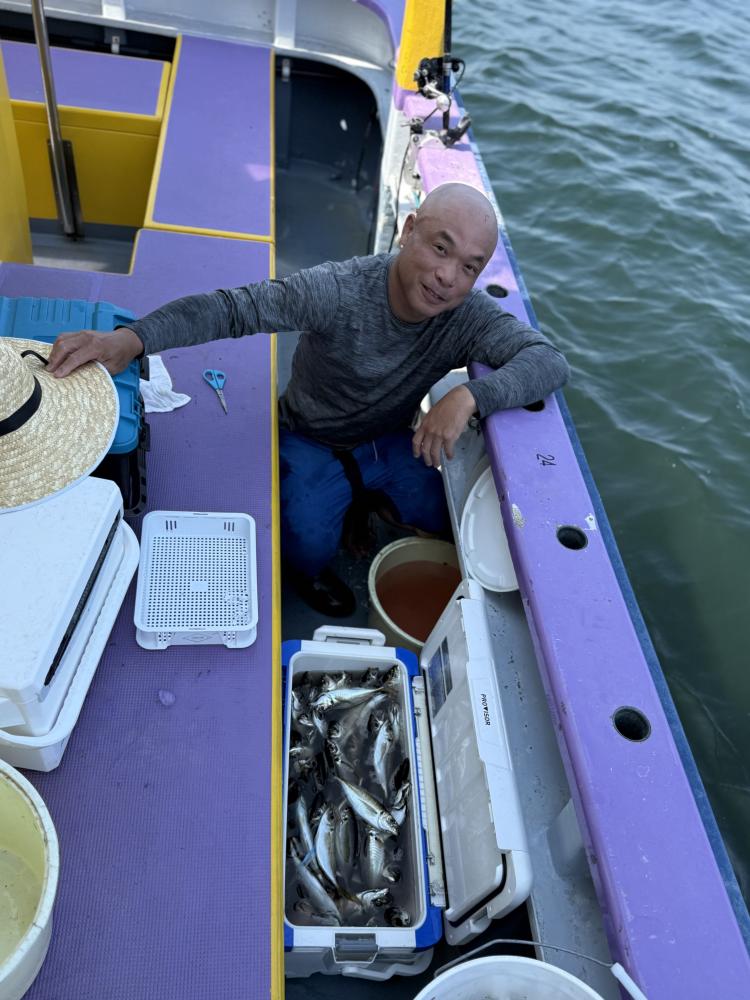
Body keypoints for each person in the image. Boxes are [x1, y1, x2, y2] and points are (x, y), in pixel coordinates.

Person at [47, 183, 569, 615]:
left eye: (470, 267)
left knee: (443, 515)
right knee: (307, 544)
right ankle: (319, 558)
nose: (448, 277)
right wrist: (132, 339)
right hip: (309, 437)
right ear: (408, 230)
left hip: (389, 440)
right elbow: (233, 309)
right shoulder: (338, 290)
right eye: (440, 247)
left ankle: (365, 501)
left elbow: (548, 361)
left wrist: (470, 396)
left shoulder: (467, 315)